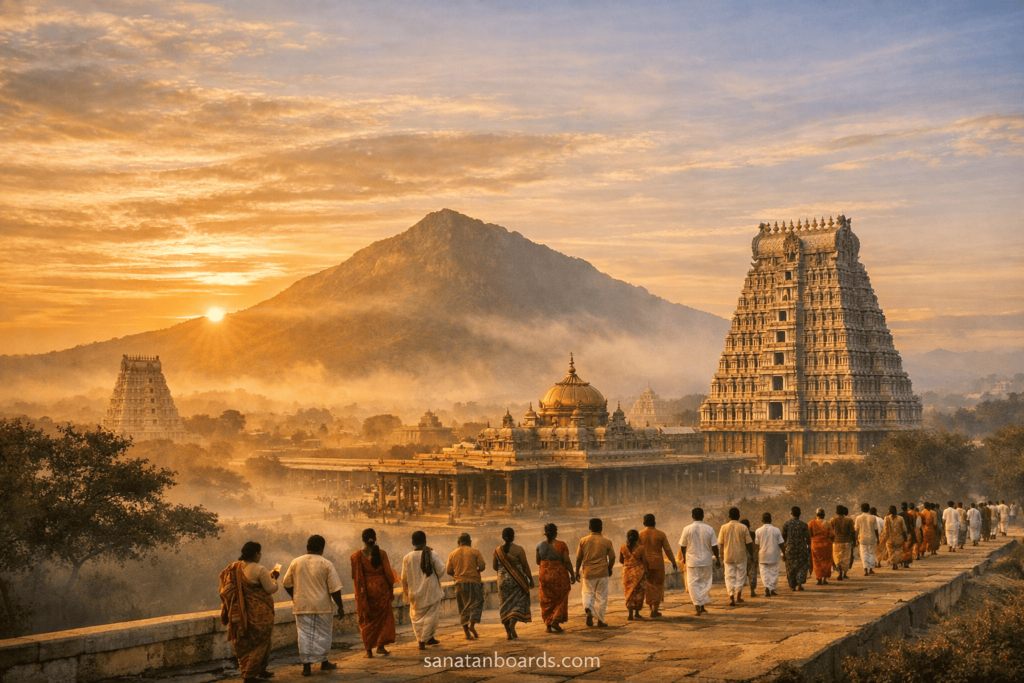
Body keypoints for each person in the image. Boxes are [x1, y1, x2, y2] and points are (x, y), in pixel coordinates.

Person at [219, 541, 280, 683]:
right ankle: (250, 676)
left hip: (239, 613)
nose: (261, 555)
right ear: (256, 554)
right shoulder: (259, 569)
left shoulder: (233, 567)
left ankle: (258, 670)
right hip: (258, 613)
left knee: (244, 641)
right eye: (260, 553)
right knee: (260, 641)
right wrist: (274, 579)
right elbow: (270, 589)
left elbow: (226, 589)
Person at [283, 535, 344, 675]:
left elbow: (286, 583)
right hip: (322, 606)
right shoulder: (326, 563)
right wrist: (340, 606)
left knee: (304, 635)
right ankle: (324, 662)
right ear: (322, 548)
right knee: (323, 634)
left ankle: (306, 666)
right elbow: (335, 588)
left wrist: (295, 596)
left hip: (302, 605)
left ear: (307, 547)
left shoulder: (296, 562)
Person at [350, 528, 396, 658]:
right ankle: (380, 647)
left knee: (367, 619)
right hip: (382, 591)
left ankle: (368, 651)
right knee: (383, 620)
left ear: (363, 540)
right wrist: (391, 586)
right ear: (375, 539)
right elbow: (388, 574)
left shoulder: (356, 556)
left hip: (366, 592)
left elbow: (355, 576)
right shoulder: (382, 554)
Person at [401, 531, 446, 651]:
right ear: (426, 541)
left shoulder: (407, 558)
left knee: (417, 618)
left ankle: (424, 640)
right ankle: (425, 638)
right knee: (431, 617)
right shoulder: (432, 554)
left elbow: (404, 577)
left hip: (414, 593)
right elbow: (441, 570)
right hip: (431, 591)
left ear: (412, 543)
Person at [493, 527, 533, 639]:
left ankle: (509, 633)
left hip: (502, 582)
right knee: (519, 603)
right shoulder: (519, 549)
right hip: (517, 581)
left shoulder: (497, 551)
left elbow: (495, 567)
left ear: (502, 537)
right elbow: (525, 566)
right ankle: (512, 625)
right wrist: (530, 579)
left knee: (505, 606)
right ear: (513, 537)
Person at [574, 518, 616, 627]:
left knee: (587, 593)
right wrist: (609, 568)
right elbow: (612, 557)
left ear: (589, 528)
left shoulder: (583, 541)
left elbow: (578, 558)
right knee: (601, 596)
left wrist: (576, 571)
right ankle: (600, 621)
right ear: (601, 528)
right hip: (603, 572)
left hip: (588, 573)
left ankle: (589, 611)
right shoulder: (607, 542)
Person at [679, 507, 720, 615]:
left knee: (693, 583)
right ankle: (701, 605)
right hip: (706, 560)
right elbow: (714, 546)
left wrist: (684, 557)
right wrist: (718, 558)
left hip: (692, 561)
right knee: (705, 583)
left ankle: (697, 606)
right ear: (703, 516)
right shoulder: (709, 529)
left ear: (692, 517)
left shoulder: (686, 529)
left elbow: (683, 546)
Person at [447, 533, 487, 640]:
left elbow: (449, 570)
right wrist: (475, 571)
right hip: (473, 581)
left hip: (459, 583)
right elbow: (482, 566)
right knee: (476, 603)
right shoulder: (475, 551)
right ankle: (472, 625)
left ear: (458, 542)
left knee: (463, 606)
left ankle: (466, 632)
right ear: (470, 541)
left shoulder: (452, 554)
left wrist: (458, 575)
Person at [536, 523, 574, 633]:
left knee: (546, 599)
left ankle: (548, 624)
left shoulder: (539, 546)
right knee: (561, 597)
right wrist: (572, 574)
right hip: (559, 576)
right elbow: (567, 561)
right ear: (556, 533)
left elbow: (538, 561)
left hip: (544, 575)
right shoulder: (561, 545)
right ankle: (555, 621)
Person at [638, 514, 677, 617]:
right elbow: (667, 550)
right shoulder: (661, 534)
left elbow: (637, 551)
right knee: (658, 585)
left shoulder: (640, 534)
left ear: (644, 523)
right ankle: (655, 609)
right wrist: (673, 561)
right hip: (658, 563)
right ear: (655, 523)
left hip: (645, 564)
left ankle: (651, 608)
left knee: (649, 586)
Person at [718, 507, 754, 606]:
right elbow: (748, 543)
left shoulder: (723, 527)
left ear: (729, 516)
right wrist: (751, 555)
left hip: (728, 555)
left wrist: (721, 555)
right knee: (740, 576)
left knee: (729, 576)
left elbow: (721, 544)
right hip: (741, 556)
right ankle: (738, 596)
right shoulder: (743, 527)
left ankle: (731, 596)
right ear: (739, 516)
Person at [620, 529, 649, 621]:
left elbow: (621, 561)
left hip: (627, 573)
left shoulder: (623, 548)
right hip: (638, 573)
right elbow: (645, 561)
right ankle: (637, 612)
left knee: (629, 592)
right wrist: (647, 570)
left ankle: (630, 613)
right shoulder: (641, 548)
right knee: (638, 592)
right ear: (637, 538)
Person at [754, 512, 784, 597]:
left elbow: (757, 545)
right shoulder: (776, 530)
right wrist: (784, 553)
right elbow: (781, 543)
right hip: (774, 555)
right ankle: (772, 589)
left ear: (762, 520)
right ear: (771, 520)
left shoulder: (758, 531)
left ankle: (767, 587)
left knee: (764, 573)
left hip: (763, 555)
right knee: (774, 572)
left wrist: (755, 555)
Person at [782, 506, 811, 591]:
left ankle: (792, 585)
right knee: (802, 566)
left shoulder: (786, 524)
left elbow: (783, 538)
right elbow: (808, 538)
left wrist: (783, 551)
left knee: (790, 567)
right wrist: (808, 548)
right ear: (800, 514)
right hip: (801, 549)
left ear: (791, 513)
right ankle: (799, 584)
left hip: (790, 548)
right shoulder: (803, 525)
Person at [808, 509, 834, 585]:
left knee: (816, 562)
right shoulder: (828, 523)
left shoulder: (811, 523)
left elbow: (808, 535)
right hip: (826, 545)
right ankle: (824, 579)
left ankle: (818, 579)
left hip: (815, 545)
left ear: (816, 515)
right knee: (826, 561)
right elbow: (832, 534)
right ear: (824, 515)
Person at [829, 506, 855, 581]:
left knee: (837, 558)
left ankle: (839, 572)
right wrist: (854, 541)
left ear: (836, 511)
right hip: (847, 541)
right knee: (846, 558)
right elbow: (852, 532)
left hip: (836, 541)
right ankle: (844, 573)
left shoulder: (832, 520)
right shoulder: (849, 520)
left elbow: (831, 532)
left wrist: (831, 540)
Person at [854, 503, 879, 576]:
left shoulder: (858, 518)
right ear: (868, 509)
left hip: (862, 538)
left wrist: (855, 539)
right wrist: (878, 538)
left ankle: (865, 569)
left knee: (864, 553)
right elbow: (876, 530)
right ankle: (870, 569)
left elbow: (856, 530)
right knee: (871, 553)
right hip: (872, 538)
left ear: (861, 509)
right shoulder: (873, 518)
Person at [740, 518, 759, 598]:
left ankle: (738, 593)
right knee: (752, 574)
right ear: (749, 525)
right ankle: (752, 591)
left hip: (741, 555)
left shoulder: (739, 534)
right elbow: (755, 545)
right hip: (751, 556)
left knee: (740, 574)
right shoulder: (753, 534)